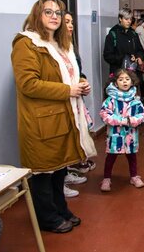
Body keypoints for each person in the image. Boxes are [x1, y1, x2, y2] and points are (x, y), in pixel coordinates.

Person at [11, 0, 96, 233]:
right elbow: (28, 84)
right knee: (43, 174)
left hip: (64, 115)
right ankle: (46, 218)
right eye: (48, 12)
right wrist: (68, 90)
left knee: (59, 170)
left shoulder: (60, 44)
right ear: (37, 14)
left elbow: (65, 75)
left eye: (58, 12)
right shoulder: (26, 44)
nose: (54, 16)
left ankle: (61, 209)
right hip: (41, 120)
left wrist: (81, 82)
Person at [99, 69, 144, 192]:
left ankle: (134, 176)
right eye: (120, 79)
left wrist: (132, 120)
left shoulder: (135, 100)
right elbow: (104, 114)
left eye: (127, 79)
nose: (124, 82)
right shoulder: (110, 100)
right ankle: (106, 178)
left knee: (132, 156)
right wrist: (121, 120)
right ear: (115, 83)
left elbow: (143, 114)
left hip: (131, 135)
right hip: (115, 135)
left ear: (132, 82)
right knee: (111, 156)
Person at [61, 11, 92, 198]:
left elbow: (76, 71)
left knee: (74, 135)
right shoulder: (54, 48)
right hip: (62, 99)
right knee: (63, 141)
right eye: (66, 22)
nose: (70, 25)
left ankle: (65, 173)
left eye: (71, 22)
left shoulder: (70, 46)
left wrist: (83, 80)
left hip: (75, 98)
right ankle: (60, 180)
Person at [103, 8, 144, 100]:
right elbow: (107, 56)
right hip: (118, 75)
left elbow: (140, 50)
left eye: (130, 19)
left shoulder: (133, 34)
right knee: (118, 102)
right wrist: (125, 58)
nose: (129, 22)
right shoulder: (112, 34)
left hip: (132, 75)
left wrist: (139, 57)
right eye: (126, 19)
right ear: (120, 19)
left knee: (133, 101)